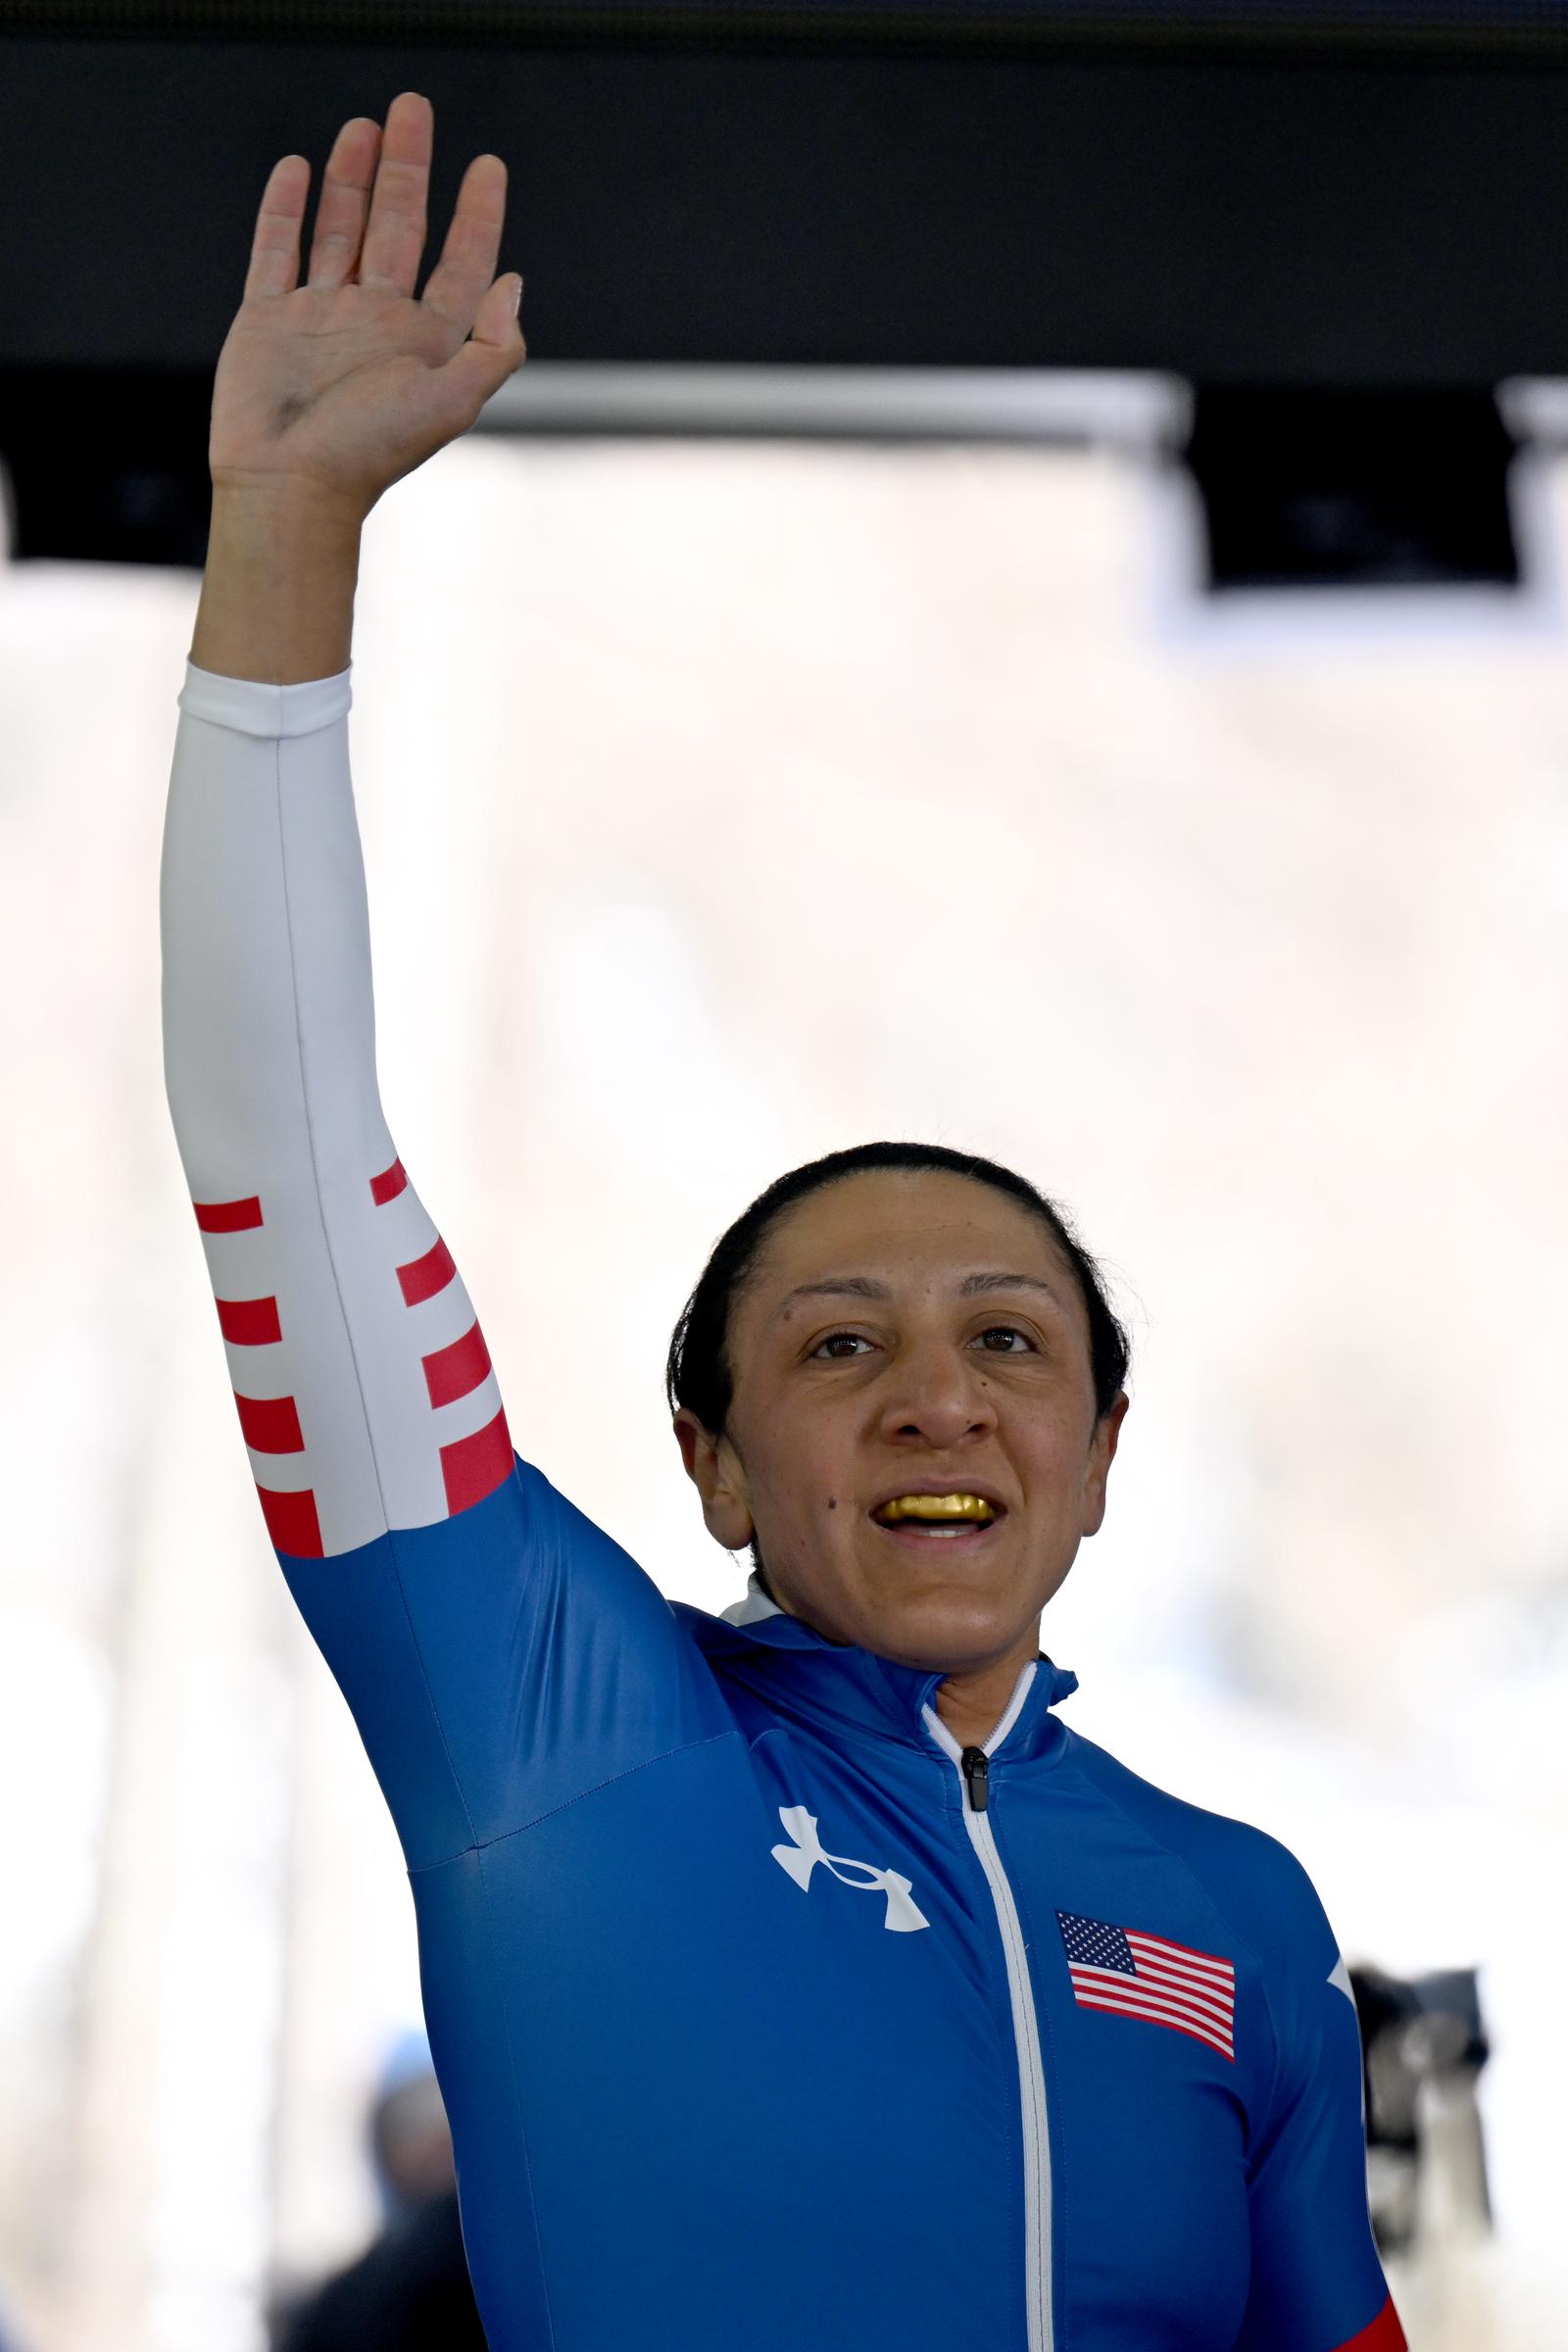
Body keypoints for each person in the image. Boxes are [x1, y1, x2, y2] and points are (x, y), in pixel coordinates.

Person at [160, 90, 1407, 2352]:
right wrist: (283, 541)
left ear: (1104, 1451)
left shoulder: (1234, 1920)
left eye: (1010, 1342)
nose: (936, 1389)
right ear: (712, 1461)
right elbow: (288, 1148)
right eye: (835, 1346)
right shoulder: (559, 1733)